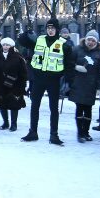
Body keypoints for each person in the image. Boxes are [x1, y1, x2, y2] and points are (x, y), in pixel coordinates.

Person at [18, 17, 75, 145]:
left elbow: (69, 64)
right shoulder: (39, 40)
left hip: (53, 80)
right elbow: (22, 41)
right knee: (35, 106)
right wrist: (27, 32)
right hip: (38, 79)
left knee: (53, 109)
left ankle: (54, 135)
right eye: (48, 28)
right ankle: (33, 132)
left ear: (57, 30)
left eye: (53, 28)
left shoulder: (64, 44)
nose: (50, 30)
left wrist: (67, 80)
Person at [70, 30, 100, 143]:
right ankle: (80, 132)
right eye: (89, 39)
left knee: (88, 109)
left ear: (96, 42)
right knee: (79, 108)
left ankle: (86, 132)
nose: (90, 42)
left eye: (93, 40)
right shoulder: (76, 49)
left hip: (91, 84)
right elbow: (68, 63)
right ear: (85, 39)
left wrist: (99, 88)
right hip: (78, 83)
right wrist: (76, 67)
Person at [0, 37, 27, 131]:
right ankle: (5, 123)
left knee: (14, 105)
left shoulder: (18, 57)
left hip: (15, 85)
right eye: (4, 45)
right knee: (2, 104)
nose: (6, 47)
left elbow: (23, 72)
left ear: (11, 46)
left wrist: (22, 85)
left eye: (8, 45)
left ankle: (14, 124)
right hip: (0, 85)